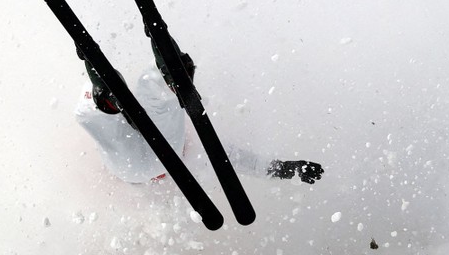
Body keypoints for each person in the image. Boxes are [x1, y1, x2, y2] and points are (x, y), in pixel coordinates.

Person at [74, 48, 323, 185]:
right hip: (150, 161)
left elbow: (236, 159)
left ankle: (109, 94)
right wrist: (286, 169)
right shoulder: (195, 153)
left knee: (100, 117)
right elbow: (239, 160)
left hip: (133, 166)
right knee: (102, 114)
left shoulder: (192, 154)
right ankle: (163, 75)